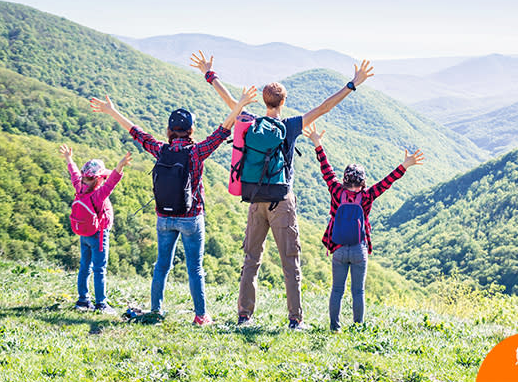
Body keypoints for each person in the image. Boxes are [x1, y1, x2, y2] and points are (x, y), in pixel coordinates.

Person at [190, 50, 374, 329]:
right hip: (282, 202)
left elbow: (230, 102)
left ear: (264, 100)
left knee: (251, 258)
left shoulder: (250, 120)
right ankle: (294, 319)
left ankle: (244, 315)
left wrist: (209, 74)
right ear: (283, 102)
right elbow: (324, 108)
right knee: (290, 261)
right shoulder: (289, 126)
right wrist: (352, 83)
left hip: (254, 199)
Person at [90, 87, 257, 325]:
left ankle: (156, 310)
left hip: (164, 217)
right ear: (191, 130)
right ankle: (200, 316)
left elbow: (138, 134)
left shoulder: (161, 150)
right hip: (191, 217)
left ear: (169, 131)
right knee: (195, 269)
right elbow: (222, 131)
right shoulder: (196, 152)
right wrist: (239, 105)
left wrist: (112, 111)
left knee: (161, 265)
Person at [303, 123, 424, 331]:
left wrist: (317, 143)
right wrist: (405, 164)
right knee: (358, 292)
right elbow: (387, 182)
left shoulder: (336, 191)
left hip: (338, 247)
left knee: (337, 290)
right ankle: (358, 328)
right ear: (363, 182)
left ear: (344, 180)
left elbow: (326, 169)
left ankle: (335, 327)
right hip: (359, 248)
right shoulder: (367, 196)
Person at [60, 145, 132, 314]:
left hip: (83, 234)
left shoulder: (79, 187)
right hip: (98, 234)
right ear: (99, 179)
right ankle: (101, 303)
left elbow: (74, 173)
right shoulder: (98, 195)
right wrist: (119, 167)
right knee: (99, 268)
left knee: (84, 266)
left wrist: (69, 159)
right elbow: (112, 182)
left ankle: (83, 301)